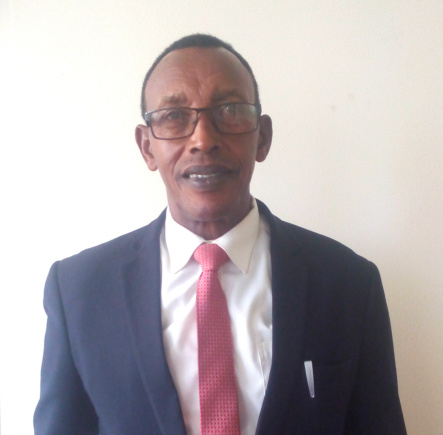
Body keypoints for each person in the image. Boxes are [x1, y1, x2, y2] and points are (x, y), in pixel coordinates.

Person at [34, 34, 407, 435]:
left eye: (229, 111)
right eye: (174, 116)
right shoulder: (79, 290)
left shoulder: (349, 283)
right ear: (147, 148)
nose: (203, 140)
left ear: (262, 137)